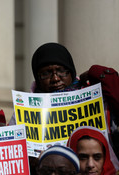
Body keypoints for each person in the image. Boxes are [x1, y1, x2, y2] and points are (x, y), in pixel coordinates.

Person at [8, 42, 119, 174]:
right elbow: (12, 155)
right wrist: (29, 160)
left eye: (61, 71)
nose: (55, 78)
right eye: (46, 73)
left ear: (71, 71)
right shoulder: (24, 111)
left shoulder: (94, 99)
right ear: (37, 78)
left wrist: (94, 72)